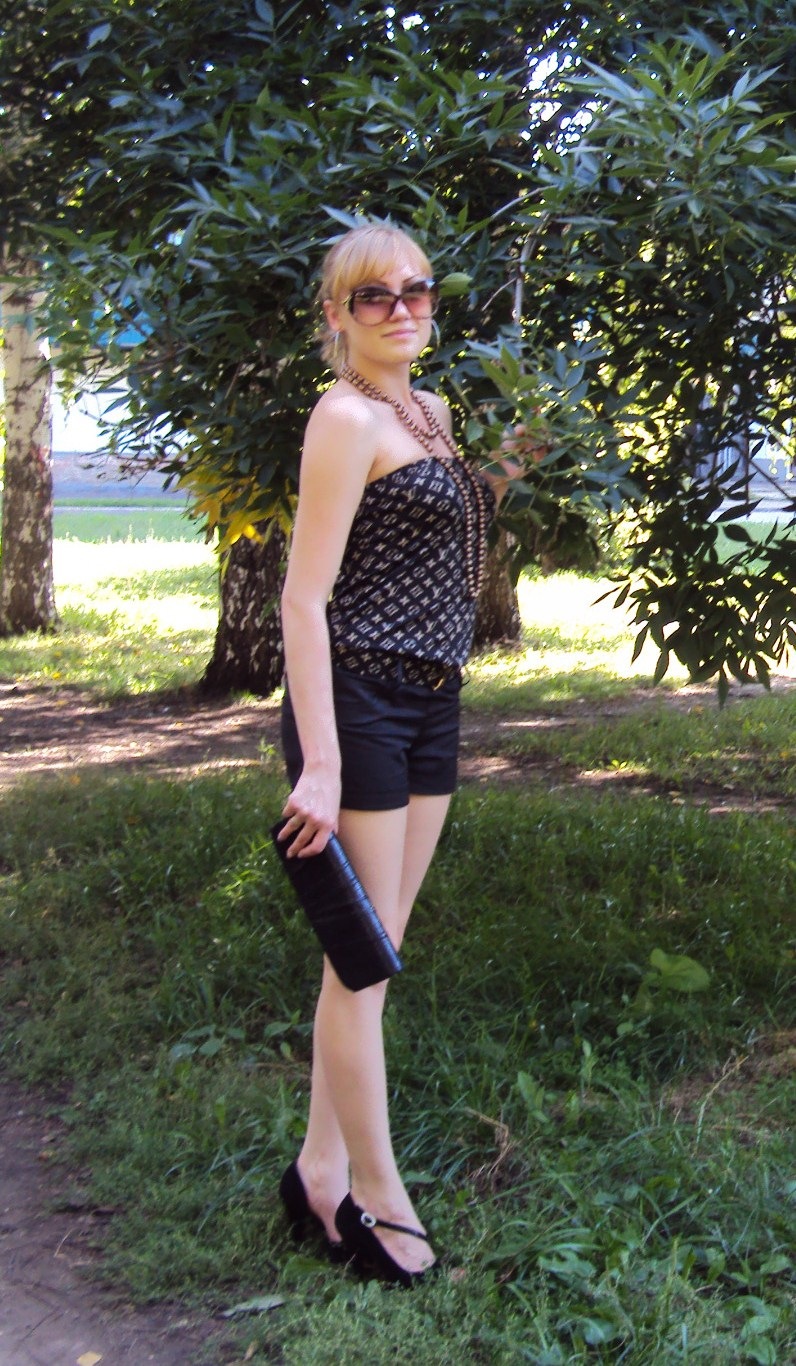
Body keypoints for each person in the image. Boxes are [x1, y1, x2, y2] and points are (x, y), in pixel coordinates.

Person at [276, 221, 520, 1288]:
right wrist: (321, 763)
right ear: (339, 315)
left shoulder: (431, 413)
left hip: (431, 701)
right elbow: (303, 598)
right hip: (359, 705)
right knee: (361, 964)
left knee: (375, 954)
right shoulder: (341, 416)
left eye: (416, 290)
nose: (403, 309)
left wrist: (511, 462)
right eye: (374, 296)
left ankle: (317, 1170)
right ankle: (377, 1200)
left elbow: (434, 531)